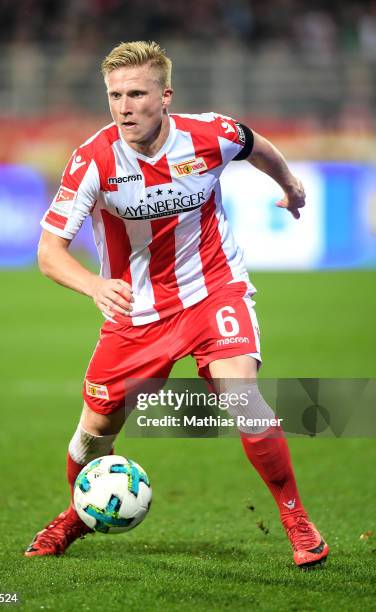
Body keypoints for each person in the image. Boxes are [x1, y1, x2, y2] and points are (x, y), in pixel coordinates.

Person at [24, 41, 329, 568]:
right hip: (136, 314)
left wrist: (292, 186)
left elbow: (255, 145)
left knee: (244, 400)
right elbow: (49, 252)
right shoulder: (93, 159)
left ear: (165, 96)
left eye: (136, 94)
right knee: (92, 437)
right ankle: (78, 513)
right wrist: (94, 286)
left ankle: (296, 519)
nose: (123, 107)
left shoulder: (209, 135)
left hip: (213, 290)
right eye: (115, 95)